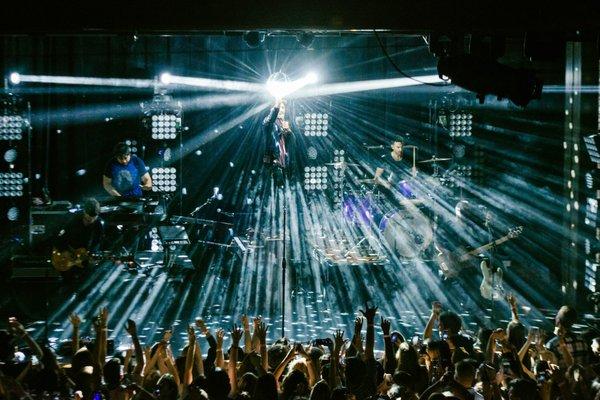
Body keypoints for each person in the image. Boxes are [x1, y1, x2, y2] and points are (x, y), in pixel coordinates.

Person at [263, 98, 294, 186]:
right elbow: (271, 119)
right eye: (279, 108)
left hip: (285, 166)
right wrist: (277, 105)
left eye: (283, 108)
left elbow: (292, 146)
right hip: (271, 164)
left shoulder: (285, 125)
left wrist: (289, 132)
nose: (281, 110)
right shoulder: (268, 123)